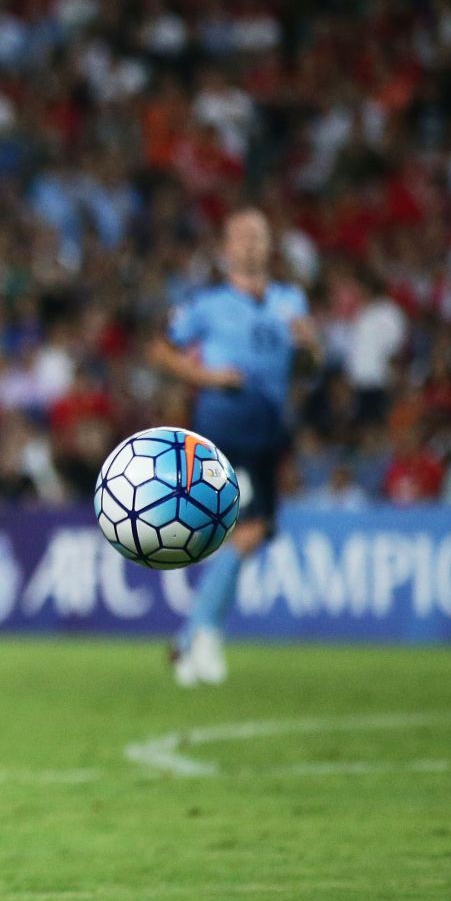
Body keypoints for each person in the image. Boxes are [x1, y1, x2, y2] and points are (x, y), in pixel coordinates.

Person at [149, 207, 319, 686]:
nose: (250, 244)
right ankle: (201, 639)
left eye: (258, 236)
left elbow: (309, 367)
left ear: (270, 247)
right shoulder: (208, 305)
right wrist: (206, 377)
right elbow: (159, 350)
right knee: (247, 530)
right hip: (225, 426)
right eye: (241, 236)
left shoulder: (290, 301)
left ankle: (189, 641)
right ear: (225, 251)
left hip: (269, 430)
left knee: (256, 531)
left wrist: (311, 348)